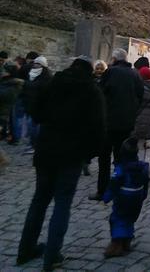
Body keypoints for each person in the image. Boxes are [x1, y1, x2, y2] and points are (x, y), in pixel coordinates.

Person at [17, 57, 105, 271]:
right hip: (71, 155)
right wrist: (88, 154)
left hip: (46, 150)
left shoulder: (52, 84)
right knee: (62, 204)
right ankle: (52, 255)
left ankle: (25, 249)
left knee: (39, 200)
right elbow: (99, 128)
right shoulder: (91, 91)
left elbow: (36, 113)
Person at [90, 49, 144, 201]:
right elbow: (141, 96)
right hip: (127, 123)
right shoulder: (135, 74)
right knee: (122, 156)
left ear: (114, 59)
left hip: (109, 122)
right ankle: (121, 186)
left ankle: (102, 190)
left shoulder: (111, 72)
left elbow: (101, 94)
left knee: (104, 158)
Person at [102, 137, 150, 258]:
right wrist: (143, 195)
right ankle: (127, 240)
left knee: (118, 218)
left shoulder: (121, 168)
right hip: (137, 197)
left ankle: (116, 244)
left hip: (123, 198)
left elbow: (114, 184)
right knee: (130, 218)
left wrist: (106, 197)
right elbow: (146, 182)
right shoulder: (142, 168)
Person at [19, 56, 53, 151]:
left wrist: (25, 84)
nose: (35, 65)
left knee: (33, 126)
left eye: (38, 64)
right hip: (30, 104)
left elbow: (40, 87)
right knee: (30, 126)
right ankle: (32, 144)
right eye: (35, 63)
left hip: (39, 106)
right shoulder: (32, 74)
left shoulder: (47, 76)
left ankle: (35, 145)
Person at [133, 67, 150, 151]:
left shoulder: (137, 88)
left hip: (138, 115)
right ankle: (141, 161)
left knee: (136, 142)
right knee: (143, 143)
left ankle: (134, 161)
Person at [0, 63, 24, 144]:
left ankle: (14, 138)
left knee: (12, 123)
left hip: (7, 110)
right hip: (3, 109)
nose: (2, 72)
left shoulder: (16, 83)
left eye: (5, 71)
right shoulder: (5, 80)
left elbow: (8, 95)